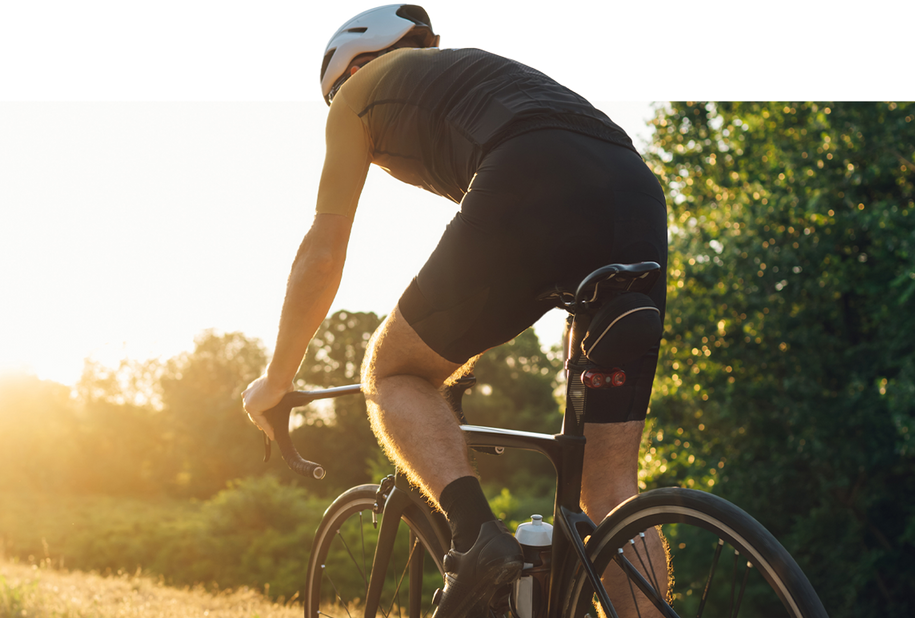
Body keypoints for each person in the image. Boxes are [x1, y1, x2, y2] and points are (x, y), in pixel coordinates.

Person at [240, 3, 670, 616]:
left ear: (350, 68)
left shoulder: (355, 96)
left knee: (392, 372)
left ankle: (475, 541)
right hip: (636, 192)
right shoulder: (482, 72)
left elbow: (323, 250)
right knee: (610, 492)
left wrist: (276, 378)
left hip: (531, 170)